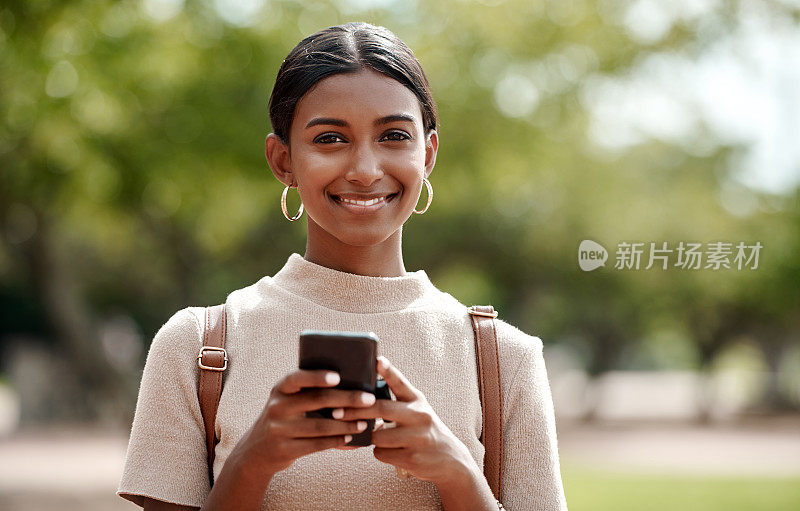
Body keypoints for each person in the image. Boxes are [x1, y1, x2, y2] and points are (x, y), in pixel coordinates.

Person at [118, 22, 567, 511]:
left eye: (394, 135)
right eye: (331, 139)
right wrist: (252, 460)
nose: (365, 169)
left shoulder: (503, 359)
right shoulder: (198, 345)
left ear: (428, 154)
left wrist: (458, 471)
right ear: (282, 160)